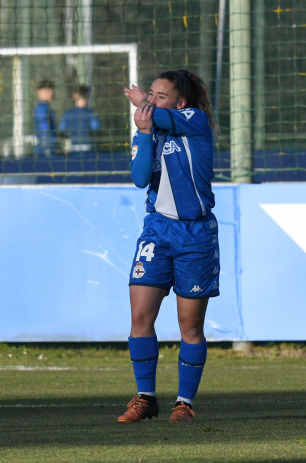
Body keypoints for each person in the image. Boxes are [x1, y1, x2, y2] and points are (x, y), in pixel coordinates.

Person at [117, 70, 220, 423]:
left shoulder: (195, 121)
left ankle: (184, 403)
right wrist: (144, 134)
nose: (153, 99)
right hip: (157, 232)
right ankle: (145, 397)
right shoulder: (148, 131)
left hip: (195, 235)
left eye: (161, 96)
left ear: (180, 103)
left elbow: (158, 113)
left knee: (189, 326)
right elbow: (139, 178)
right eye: (152, 93)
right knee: (140, 316)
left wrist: (143, 104)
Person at [59, 85, 101, 154]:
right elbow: (96, 130)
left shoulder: (67, 114)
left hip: (74, 149)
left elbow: (62, 131)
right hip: (87, 148)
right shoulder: (91, 114)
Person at [33, 79, 58, 157]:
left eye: (51, 90)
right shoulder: (42, 108)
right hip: (45, 150)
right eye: (47, 90)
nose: (51, 93)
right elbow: (44, 130)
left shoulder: (47, 108)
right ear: (40, 92)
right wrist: (50, 147)